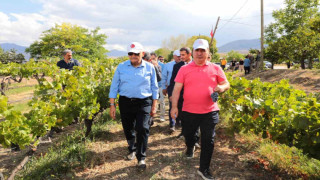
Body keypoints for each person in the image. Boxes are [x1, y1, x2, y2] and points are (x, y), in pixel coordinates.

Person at [171, 39, 230, 180]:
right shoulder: (184, 69)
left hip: (210, 111)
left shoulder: (216, 68)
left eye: (203, 50)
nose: (200, 53)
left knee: (209, 140)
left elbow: (226, 83)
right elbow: (177, 88)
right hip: (189, 111)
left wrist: (221, 88)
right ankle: (190, 146)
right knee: (189, 135)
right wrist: (174, 106)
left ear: (208, 52)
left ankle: (204, 169)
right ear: (193, 52)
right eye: (197, 50)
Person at [109, 42, 159, 170]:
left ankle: (141, 157)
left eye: (136, 53)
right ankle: (132, 148)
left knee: (142, 128)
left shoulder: (149, 67)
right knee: (128, 128)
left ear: (142, 53)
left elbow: (154, 87)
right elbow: (114, 86)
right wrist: (112, 104)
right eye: (130, 54)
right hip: (125, 102)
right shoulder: (121, 67)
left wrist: (154, 105)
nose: (133, 56)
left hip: (144, 102)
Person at [167, 47, 192, 134]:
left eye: (183, 55)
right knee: (182, 115)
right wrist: (171, 94)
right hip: (180, 95)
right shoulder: (177, 66)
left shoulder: (196, 64)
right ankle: (183, 132)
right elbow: (172, 81)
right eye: (180, 55)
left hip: (192, 95)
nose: (181, 57)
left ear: (190, 54)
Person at [161, 50, 181, 130]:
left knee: (180, 105)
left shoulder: (184, 65)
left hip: (182, 87)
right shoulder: (168, 65)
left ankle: (179, 122)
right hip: (171, 87)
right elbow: (164, 77)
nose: (180, 57)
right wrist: (164, 88)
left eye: (181, 56)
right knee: (172, 104)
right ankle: (172, 124)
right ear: (174, 56)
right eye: (178, 56)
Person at [151, 53, 165, 122]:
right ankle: (151, 117)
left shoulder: (162, 65)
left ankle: (162, 116)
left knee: (161, 101)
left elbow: (164, 75)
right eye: (151, 59)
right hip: (151, 87)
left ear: (156, 58)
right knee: (152, 102)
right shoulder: (148, 65)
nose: (152, 60)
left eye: (153, 58)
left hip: (160, 85)